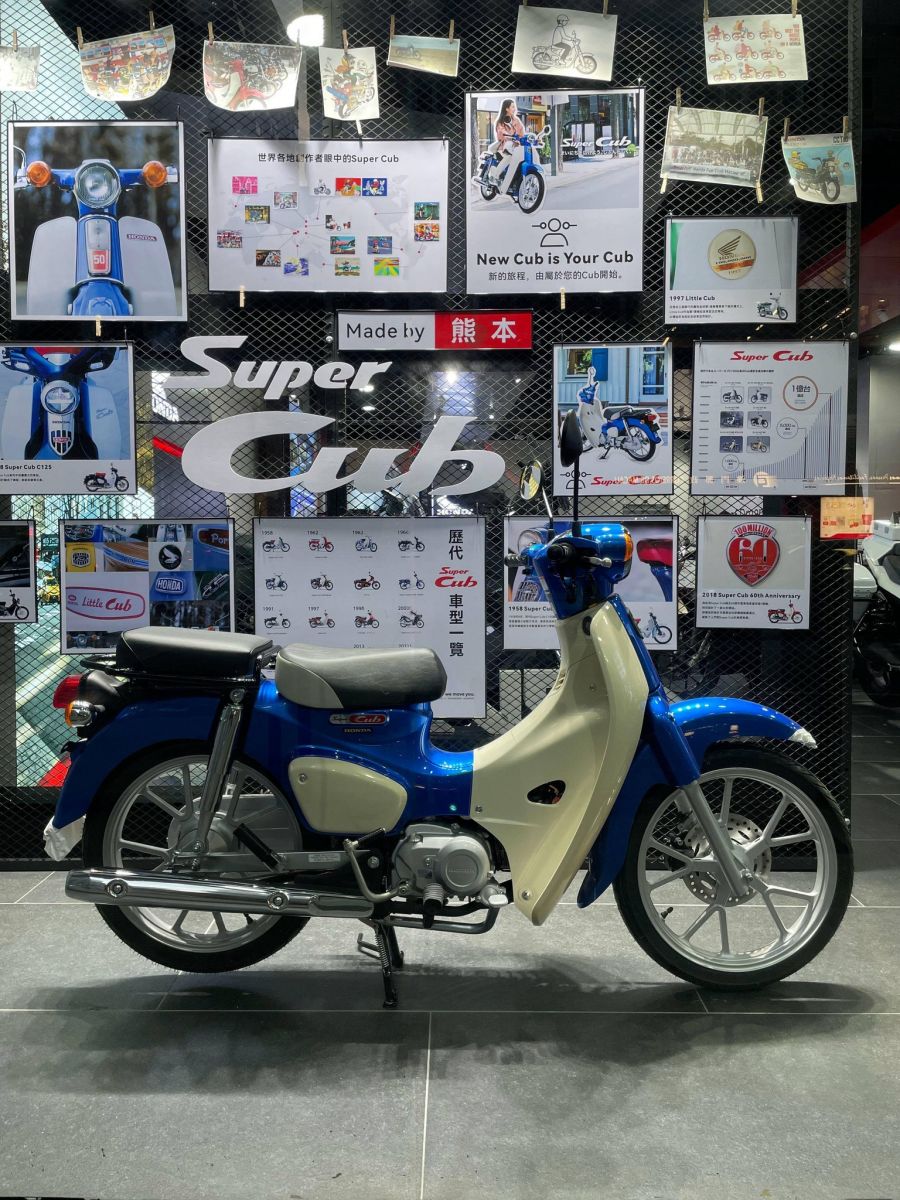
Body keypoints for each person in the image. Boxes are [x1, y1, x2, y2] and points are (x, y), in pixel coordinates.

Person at [489, 97, 526, 185]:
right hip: (503, 147)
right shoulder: (500, 122)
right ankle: (494, 176)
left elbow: (522, 132)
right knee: (509, 157)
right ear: (507, 109)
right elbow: (501, 133)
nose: (514, 109)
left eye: (514, 107)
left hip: (516, 147)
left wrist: (523, 138)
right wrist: (509, 136)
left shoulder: (516, 120)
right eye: (512, 107)